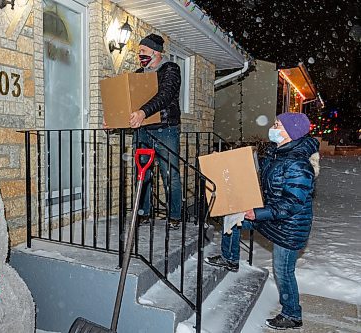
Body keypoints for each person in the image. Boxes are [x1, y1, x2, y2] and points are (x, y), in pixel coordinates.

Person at [205, 112, 320, 330]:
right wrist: (222, 161)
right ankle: (230, 258)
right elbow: (254, 171)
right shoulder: (279, 152)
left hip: (289, 227)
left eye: (278, 124)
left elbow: (292, 204)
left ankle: (292, 314)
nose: (273, 127)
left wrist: (258, 213)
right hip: (272, 217)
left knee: (283, 271)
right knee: (233, 218)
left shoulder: (298, 164)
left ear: (291, 132)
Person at [130, 33, 182, 230]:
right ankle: (143, 213)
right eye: (139, 52)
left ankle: (174, 216)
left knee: (170, 173)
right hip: (143, 130)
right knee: (143, 173)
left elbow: (166, 95)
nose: (140, 55)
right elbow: (129, 100)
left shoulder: (170, 69)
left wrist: (143, 112)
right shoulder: (138, 73)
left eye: (143, 51)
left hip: (165, 129)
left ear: (155, 52)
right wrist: (114, 118)